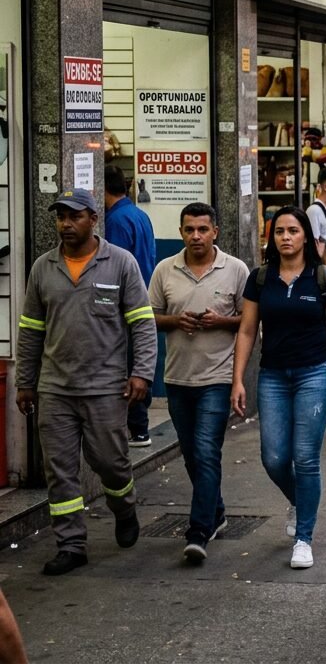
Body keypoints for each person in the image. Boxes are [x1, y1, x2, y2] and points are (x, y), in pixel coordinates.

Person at [16, 188, 155, 576]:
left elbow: (142, 324)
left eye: (74, 216)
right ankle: (71, 544)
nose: (65, 224)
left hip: (106, 387)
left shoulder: (121, 263)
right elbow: (30, 330)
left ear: (93, 219)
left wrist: (141, 373)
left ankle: (123, 507)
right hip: (55, 389)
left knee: (110, 463)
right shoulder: (43, 267)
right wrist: (25, 381)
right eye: (60, 216)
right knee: (59, 470)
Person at [233, 206, 326, 570]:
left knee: (306, 457)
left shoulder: (324, 278)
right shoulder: (260, 278)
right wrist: (238, 379)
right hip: (273, 376)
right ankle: (301, 502)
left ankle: (304, 537)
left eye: (293, 231)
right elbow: (248, 330)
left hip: (315, 373)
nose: (285, 237)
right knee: (274, 458)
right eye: (279, 231)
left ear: (306, 237)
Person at [149, 202, 249, 564]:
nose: (196, 236)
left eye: (202, 229)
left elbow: (249, 322)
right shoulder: (165, 270)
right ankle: (217, 511)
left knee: (207, 451)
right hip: (177, 378)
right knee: (192, 454)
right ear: (180, 233)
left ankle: (198, 531)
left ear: (215, 232)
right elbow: (151, 317)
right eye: (189, 229)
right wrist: (177, 320)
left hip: (217, 378)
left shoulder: (236, 270)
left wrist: (219, 322)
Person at [102, 165, 156, 447]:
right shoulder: (139, 214)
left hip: (124, 303)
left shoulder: (115, 222)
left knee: (127, 365)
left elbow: (112, 266)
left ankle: (137, 428)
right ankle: (140, 426)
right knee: (137, 361)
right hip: (142, 297)